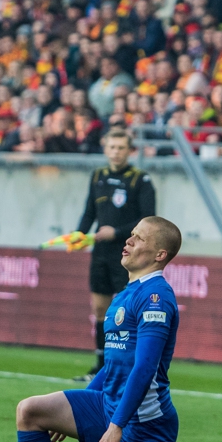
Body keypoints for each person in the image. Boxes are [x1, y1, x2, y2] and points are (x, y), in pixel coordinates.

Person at [0, 216, 182, 442]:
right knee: (31, 411)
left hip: (143, 422)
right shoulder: (126, 293)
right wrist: (80, 407)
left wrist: (116, 426)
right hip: (108, 404)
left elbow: (144, 368)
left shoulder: (156, 297)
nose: (128, 241)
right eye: (131, 234)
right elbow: (114, 363)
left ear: (160, 254)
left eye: (140, 238)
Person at [74, 129, 156, 382]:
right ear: (105, 149)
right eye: (112, 147)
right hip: (100, 253)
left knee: (125, 311)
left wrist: (117, 233)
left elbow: (148, 219)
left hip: (129, 254)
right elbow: (90, 212)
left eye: (121, 148)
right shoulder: (97, 176)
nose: (116, 152)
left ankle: (128, 366)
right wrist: (79, 234)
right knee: (100, 309)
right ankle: (100, 367)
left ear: (130, 151)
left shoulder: (140, 180)